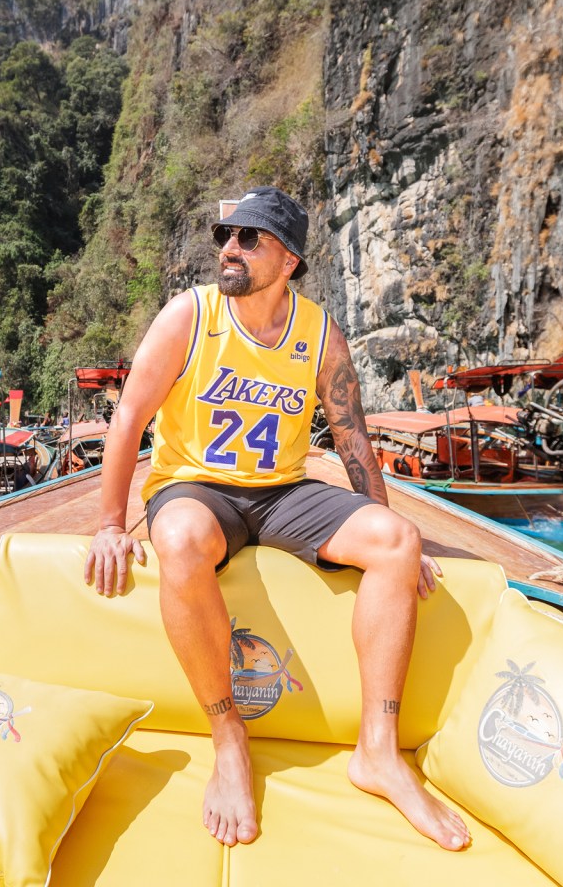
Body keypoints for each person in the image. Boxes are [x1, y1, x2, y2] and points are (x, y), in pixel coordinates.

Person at [83, 186, 471, 852]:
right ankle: (229, 734)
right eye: (224, 237)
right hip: (197, 488)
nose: (228, 249)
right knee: (178, 541)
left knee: (397, 540)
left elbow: (351, 439)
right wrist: (110, 524)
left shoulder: (319, 334)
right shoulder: (191, 316)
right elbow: (129, 418)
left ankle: (377, 751)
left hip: (283, 492)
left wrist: (394, 543)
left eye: (248, 238)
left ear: (287, 259)